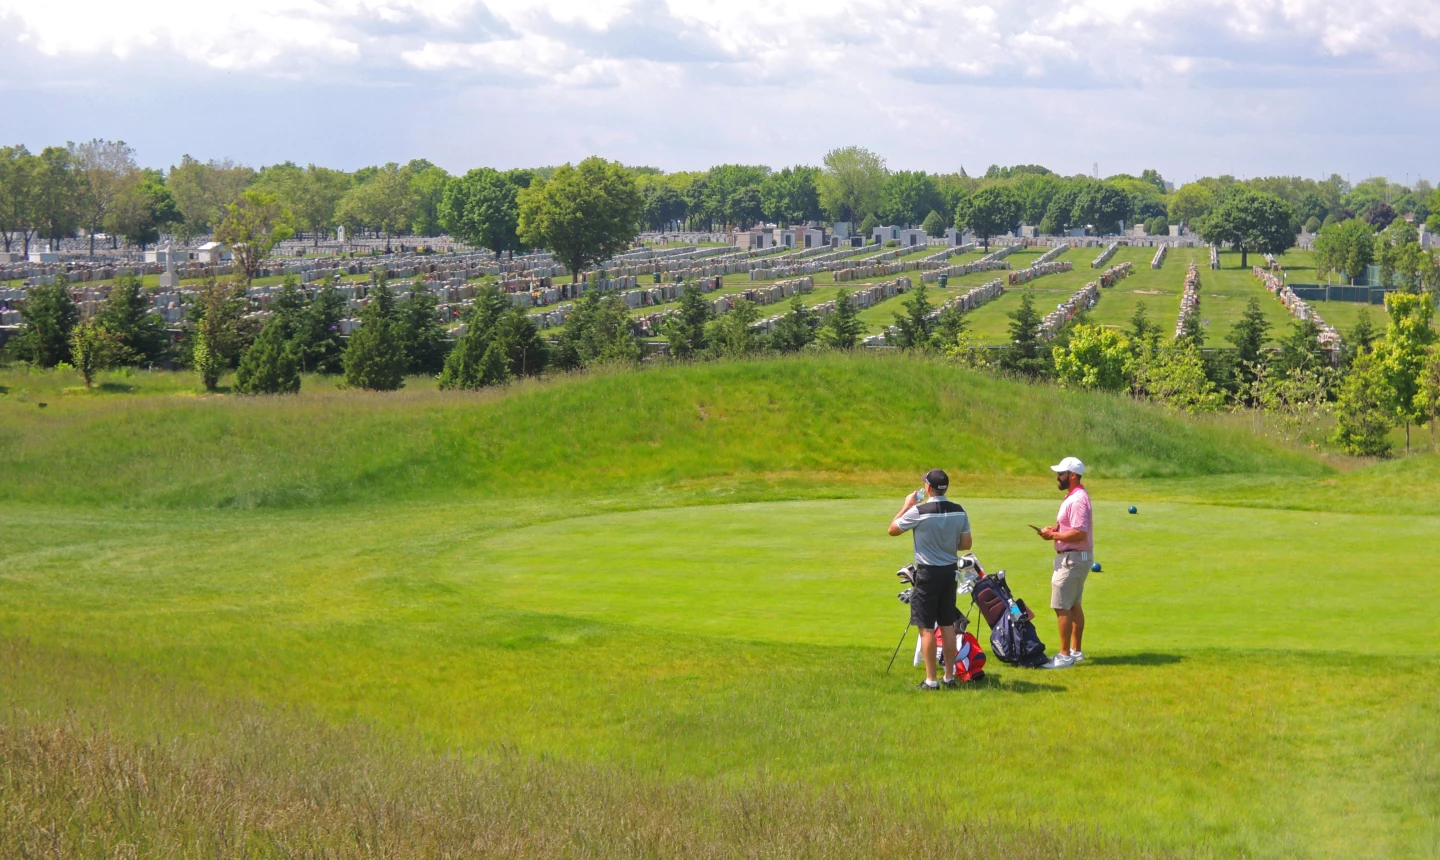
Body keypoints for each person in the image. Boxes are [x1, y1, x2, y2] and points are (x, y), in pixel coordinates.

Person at [888, 468, 973, 689]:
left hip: (927, 574)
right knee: (947, 624)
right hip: (949, 573)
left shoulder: (919, 511)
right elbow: (966, 545)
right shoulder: (959, 510)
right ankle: (949, 677)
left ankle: (931, 680)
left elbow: (892, 530)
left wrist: (906, 505)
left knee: (925, 627)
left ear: (928, 488)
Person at [1035, 456, 1092, 669]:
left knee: (1062, 606)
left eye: (1061, 474)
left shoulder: (1077, 499)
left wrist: (1054, 537)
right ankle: (1075, 652)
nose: (1057, 477)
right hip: (1077, 558)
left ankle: (1064, 655)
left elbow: (1079, 532)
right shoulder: (1074, 496)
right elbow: (1072, 528)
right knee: (1074, 604)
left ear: (1073, 475)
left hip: (1072, 558)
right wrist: (1055, 530)